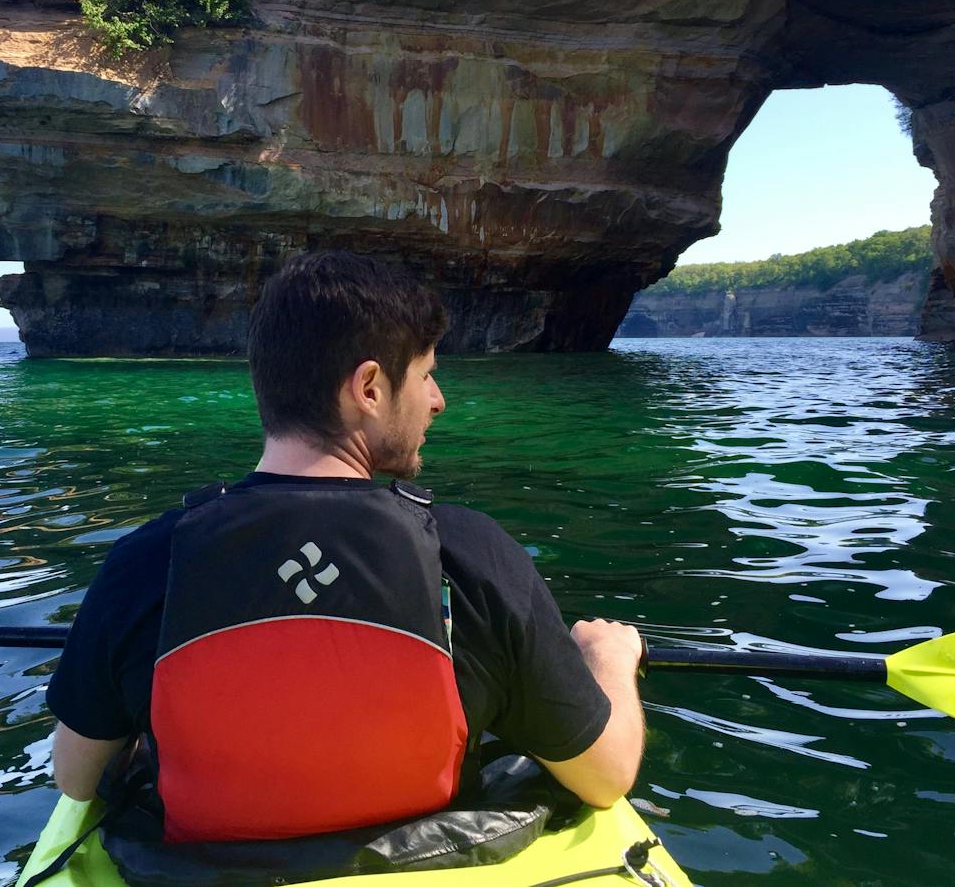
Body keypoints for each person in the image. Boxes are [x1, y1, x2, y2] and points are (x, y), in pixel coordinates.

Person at [45, 250, 645, 843]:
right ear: (370, 387)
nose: (438, 401)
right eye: (427, 374)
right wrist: (608, 659)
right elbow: (606, 778)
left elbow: (75, 778)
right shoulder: (469, 554)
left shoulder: (146, 561)